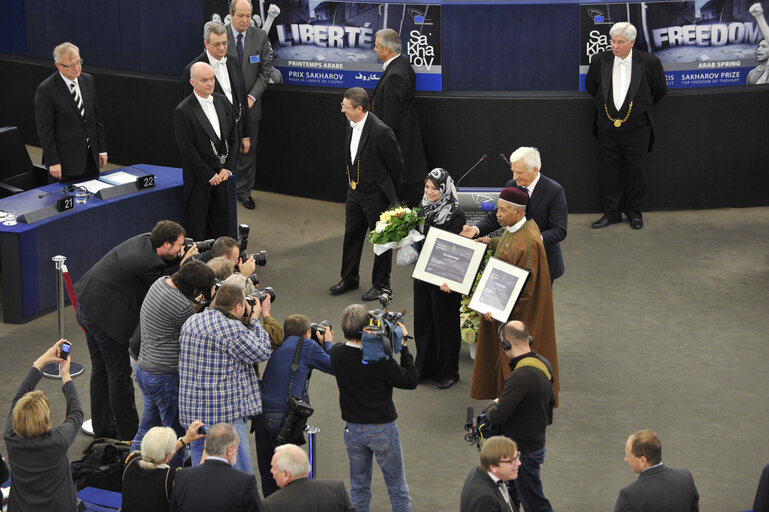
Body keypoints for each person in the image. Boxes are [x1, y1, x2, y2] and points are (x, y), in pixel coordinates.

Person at [75, 220, 186, 440]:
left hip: (87, 304)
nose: (181, 249)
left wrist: (181, 259)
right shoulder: (148, 265)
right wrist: (187, 265)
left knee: (100, 370)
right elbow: (166, 290)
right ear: (165, 244)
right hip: (106, 321)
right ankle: (128, 435)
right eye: (179, 246)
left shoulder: (144, 240)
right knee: (118, 375)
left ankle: (103, 427)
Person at [470, 188, 559, 405]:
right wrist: (490, 242)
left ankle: (514, 402)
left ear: (518, 212)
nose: (497, 214)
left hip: (518, 315)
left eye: (502, 210)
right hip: (502, 306)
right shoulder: (519, 228)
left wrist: (498, 310)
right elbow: (510, 243)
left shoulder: (528, 242)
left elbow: (525, 290)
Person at [330, 304, 417, 512]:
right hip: (383, 430)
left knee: (359, 490)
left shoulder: (337, 353)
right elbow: (411, 380)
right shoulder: (380, 361)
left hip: (352, 430)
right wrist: (403, 345)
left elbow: (332, 348)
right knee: (397, 489)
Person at [178, 281, 272, 474]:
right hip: (225, 417)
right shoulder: (230, 329)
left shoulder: (191, 321)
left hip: (194, 418)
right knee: (240, 475)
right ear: (238, 306)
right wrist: (255, 319)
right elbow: (262, 351)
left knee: (201, 475)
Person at [130, 260, 216, 467]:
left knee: (147, 428)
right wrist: (211, 305)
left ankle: (131, 471)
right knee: (176, 437)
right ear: (195, 289)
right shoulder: (183, 307)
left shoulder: (160, 283)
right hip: (163, 378)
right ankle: (173, 480)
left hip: (144, 370)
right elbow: (198, 328)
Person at [586, 22, 667, 230]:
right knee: (609, 171)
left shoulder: (649, 62)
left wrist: (639, 110)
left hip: (638, 130)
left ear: (632, 42)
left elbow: (659, 90)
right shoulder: (599, 61)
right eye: (612, 41)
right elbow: (592, 87)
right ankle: (611, 213)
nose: (615, 46)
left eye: (620, 42)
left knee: (636, 172)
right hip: (607, 128)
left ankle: (634, 213)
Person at [329, 87, 403, 302]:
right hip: (354, 192)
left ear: (359, 108)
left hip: (375, 195)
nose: (342, 110)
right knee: (351, 236)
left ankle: (381, 285)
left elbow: (396, 164)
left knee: (381, 241)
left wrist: (386, 190)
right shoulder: (351, 125)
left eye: (345, 107)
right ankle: (349, 278)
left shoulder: (381, 131)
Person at [460, 147, 567, 283]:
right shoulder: (511, 185)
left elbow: (559, 230)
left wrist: (529, 241)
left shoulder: (554, 191)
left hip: (542, 264)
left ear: (534, 170)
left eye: (519, 172)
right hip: (512, 260)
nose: (514, 177)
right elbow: (498, 216)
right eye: (513, 171)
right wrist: (475, 229)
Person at [256, 314, 334, 497]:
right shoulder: (307, 345)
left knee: (270, 474)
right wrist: (328, 343)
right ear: (307, 333)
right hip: (284, 418)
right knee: (289, 476)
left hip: (261, 416)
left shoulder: (280, 344)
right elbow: (335, 366)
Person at [4, 339, 84, 512]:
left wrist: (41, 361)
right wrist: (65, 374)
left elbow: (19, 397)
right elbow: (76, 413)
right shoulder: (58, 441)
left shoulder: (10, 435)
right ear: (45, 420)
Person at [485, 321, 555, 512]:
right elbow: (551, 405)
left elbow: (497, 416)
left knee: (534, 502)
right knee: (513, 497)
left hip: (522, 450)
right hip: (536, 443)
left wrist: (493, 404)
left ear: (506, 343)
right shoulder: (544, 364)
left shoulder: (519, 377)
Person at [412, 168, 466, 389]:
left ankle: (448, 372)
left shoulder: (456, 214)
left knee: (445, 324)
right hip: (423, 273)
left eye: (435, 188)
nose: (430, 192)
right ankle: (425, 368)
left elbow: (458, 250)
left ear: (445, 188)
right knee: (424, 320)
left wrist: (450, 280)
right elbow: (417, 238)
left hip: (445, 278)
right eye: (427, 187)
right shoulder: (422, 208)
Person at [174, 61, 238, 240]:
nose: (210, 83)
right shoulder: (183, 111)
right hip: (199, 180)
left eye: (212, 79)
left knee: (221, 222)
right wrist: (209, 175)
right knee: (199, 227)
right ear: (192, 82)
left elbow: (234, 136)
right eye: (204, 80)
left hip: (223, 175)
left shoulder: (223, 101)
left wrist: (228, 168)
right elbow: (187, 150)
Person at [34, 42, 108, 182]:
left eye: (79, 62)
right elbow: (45, 131)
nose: (77, 68)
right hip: (64, 162)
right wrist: (53, 161)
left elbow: (95, 119)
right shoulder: (46, 90)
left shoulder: (88, 80)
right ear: (58, 65)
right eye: (71, 65)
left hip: (90, 157)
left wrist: (101, 149)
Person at [371, 28, 428, 208]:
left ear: (387, 50)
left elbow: (390, 117)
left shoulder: (395, 74)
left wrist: (382, 145)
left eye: (376, 46)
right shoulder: (403, 65)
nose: (374, 50)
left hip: (400, 144)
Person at [226, 0, 274, 209]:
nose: (245, 20)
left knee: (247, 151)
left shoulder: (260, 36)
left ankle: (244, 192)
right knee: (224, 151)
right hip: (224, 106)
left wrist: (252, 97)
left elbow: (265, 72)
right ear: (231, 14)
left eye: (248, 15)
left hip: (251, 108)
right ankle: (223, 191)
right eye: (241, 16)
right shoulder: (220, 35)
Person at [183, 21, 251, 164]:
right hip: (210, 138)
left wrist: (245, 135)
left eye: (224, 43)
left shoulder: (233, 62)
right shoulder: (193, 69)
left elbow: (242, 99)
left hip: (236, 132)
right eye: (217, 44)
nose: (222, 48)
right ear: (206, 44)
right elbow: (190, 110)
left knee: (234, 175)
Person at [169, 423, 260, 512]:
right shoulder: (245, 482)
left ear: (206, 444)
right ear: (230, 450)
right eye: (236, 449)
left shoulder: (181, 477)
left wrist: (184, 440)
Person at [121, 422, 206, 512]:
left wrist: (185, 439)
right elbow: (199, 481)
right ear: (169, 456)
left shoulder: (131, 459)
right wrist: (206, 450)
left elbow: (157, 454)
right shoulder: (174, 477)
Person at [614, 430, 699, 511]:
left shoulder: (628, 496)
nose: (625, 459)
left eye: (629, 455)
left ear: (643, 461)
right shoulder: (685, 478)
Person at [261, 443, 355, 512]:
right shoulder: (336, 489)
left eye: (274, 467)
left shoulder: (271, 505)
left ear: (286, 474)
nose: (271, 471)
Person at [459, 436, 522, 512]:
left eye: (517, 456)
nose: (519, 463)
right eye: (512, 461)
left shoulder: (480, 470)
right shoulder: (486, 500)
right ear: (493, 467)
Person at [748, 3, 769, 84]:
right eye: (759, 46)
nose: (759, 49)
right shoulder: (751, 74)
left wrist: (759, 16)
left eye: (764, 46)